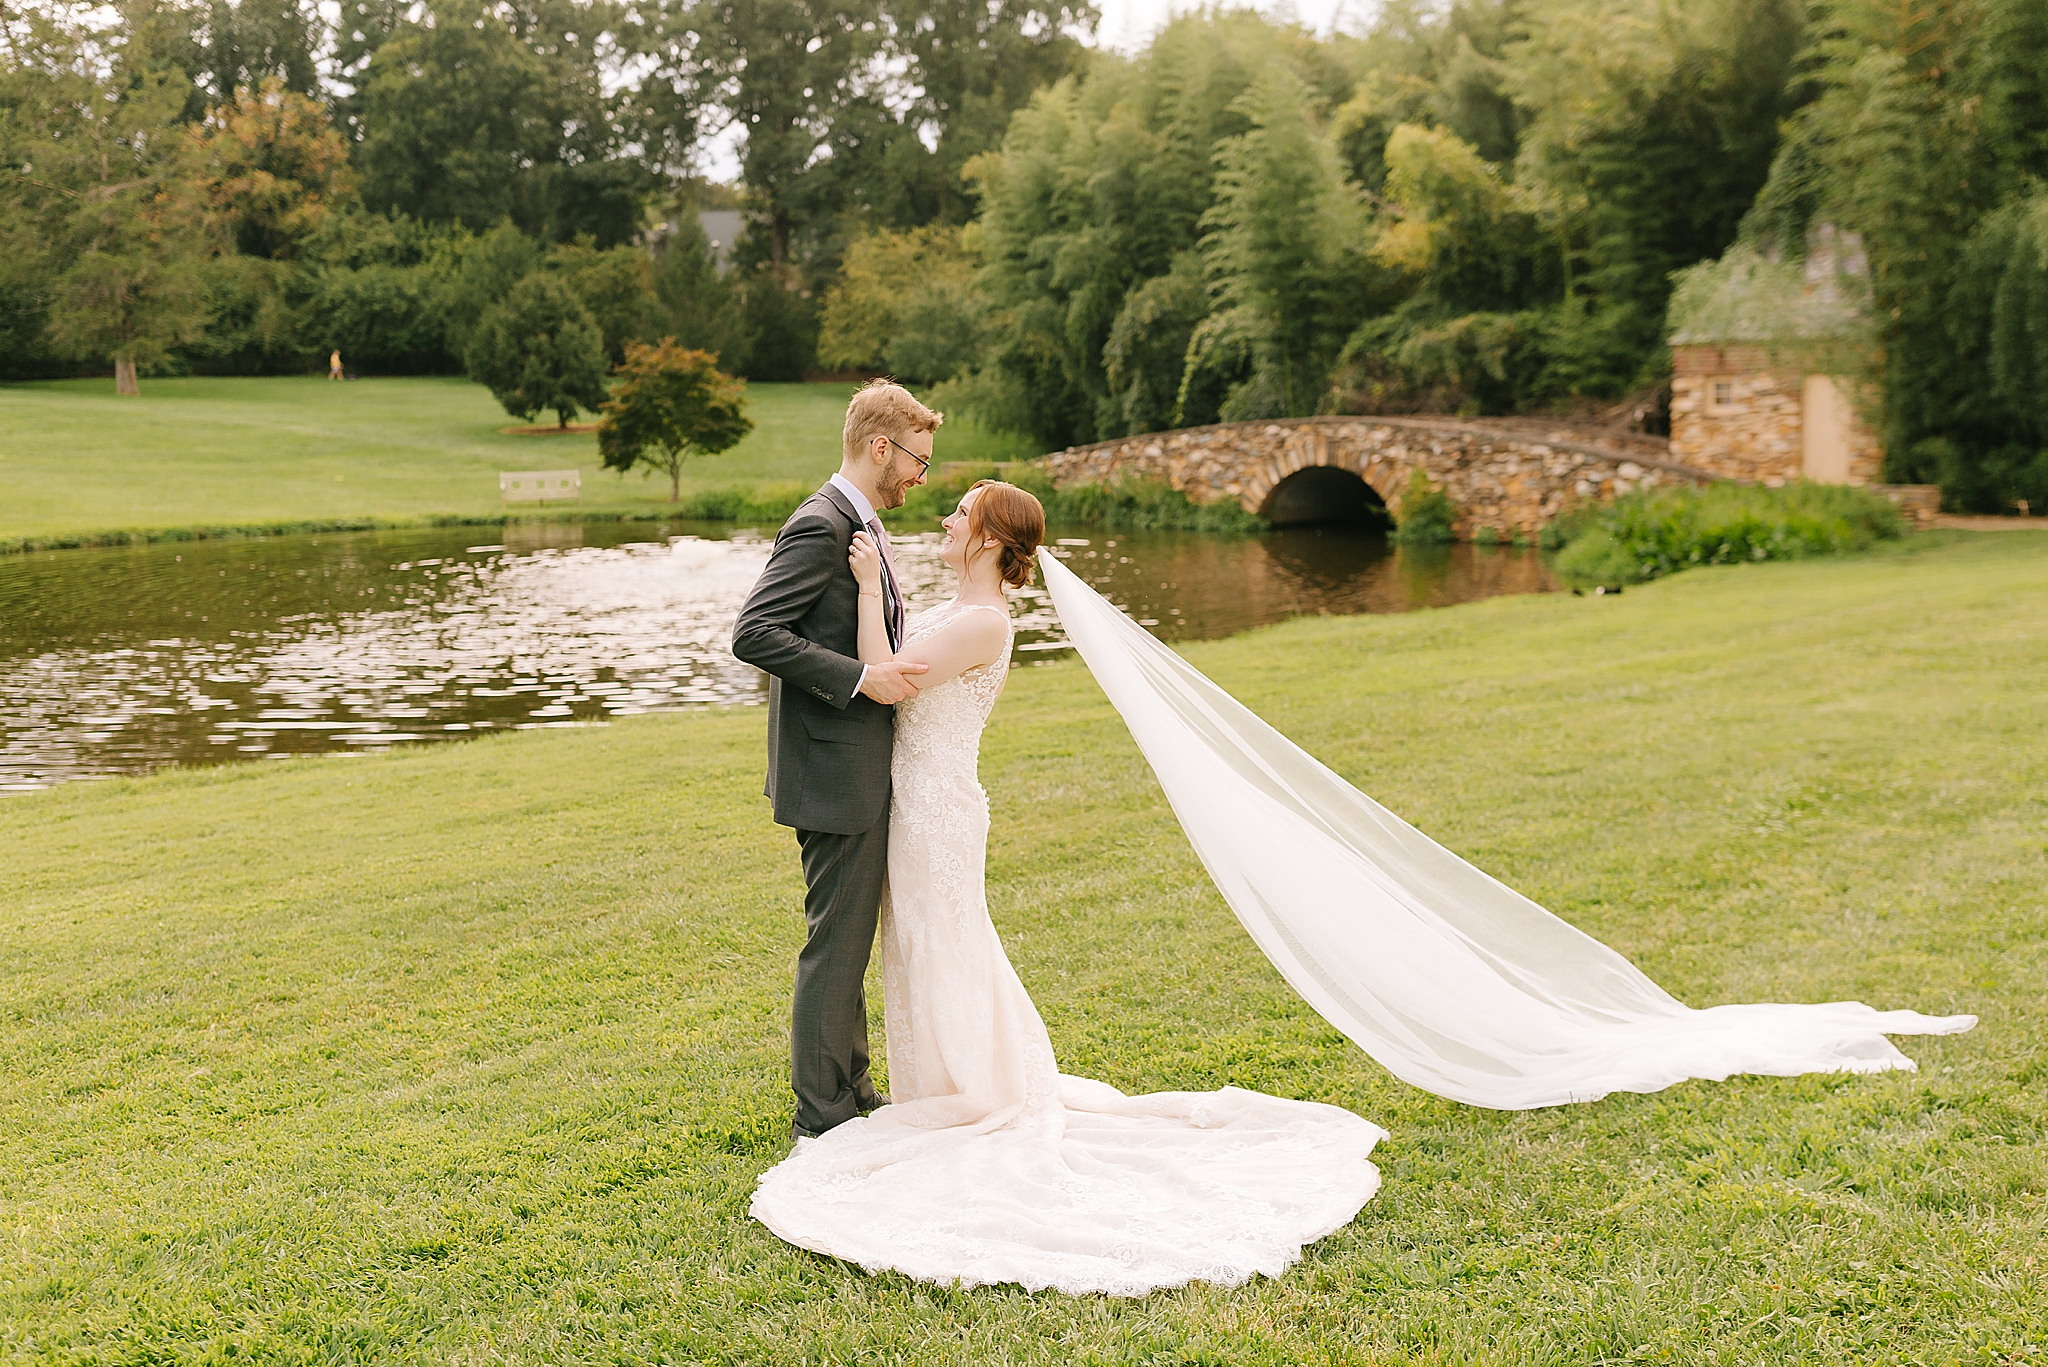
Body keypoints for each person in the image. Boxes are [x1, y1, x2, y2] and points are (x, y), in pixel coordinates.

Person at [746, 477, 1386, 1296]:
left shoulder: (981, 621)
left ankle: (973, 1093)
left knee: (949, 945)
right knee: (928, 948)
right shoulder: (962, 608)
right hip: (917, 803)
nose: (945, 517)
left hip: (936, 811)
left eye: (961, 512)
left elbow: (887, 675)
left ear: (986, 538)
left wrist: (869, 586)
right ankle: (945, 1082)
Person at [731, 380, 935, 1141]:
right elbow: (754, 632)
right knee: (834, 944)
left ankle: (852, 1086)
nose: (923, 475)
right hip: (834, 771)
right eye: (918, 459)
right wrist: (859, 678)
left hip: (851, 767)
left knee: (846, 938)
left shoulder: (861, 522)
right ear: (881, 447)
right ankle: (821, 1115)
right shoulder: (821, 525)